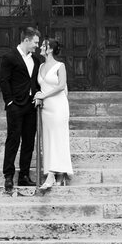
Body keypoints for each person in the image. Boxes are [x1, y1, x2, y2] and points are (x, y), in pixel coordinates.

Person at [0, 24, 41, 192]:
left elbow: (36, 82)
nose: (37, 46)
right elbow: (4, 80)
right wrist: (9, 102)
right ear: (26, 40)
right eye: (35, 42)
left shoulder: (35, 60)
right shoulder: (10, 57)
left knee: (29, 142)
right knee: (13, 140)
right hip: (15, 106)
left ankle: (24, 176)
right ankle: (8, 176)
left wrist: (37, 95)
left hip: (31, 106)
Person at [34, 36, 72, 191]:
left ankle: (51, 175)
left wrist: (44, 95)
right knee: (49, 140)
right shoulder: (41, 66)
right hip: (46, 108)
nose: (40, 47)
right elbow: (40, 86)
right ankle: (59, 173)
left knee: (58, 138)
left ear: (49, 49)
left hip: (58, 106)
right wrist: (39, 96)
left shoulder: (60, 66)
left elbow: (62, 85)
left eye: (43, 45)